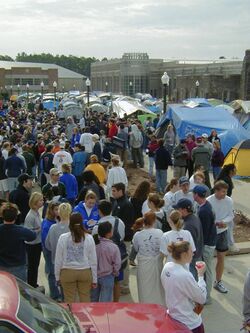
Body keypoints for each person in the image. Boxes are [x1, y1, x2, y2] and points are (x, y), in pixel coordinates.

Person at [161, 241, 207, 333]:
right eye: (191, 251)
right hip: (189, 323)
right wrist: (201, 276)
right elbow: (201, 298)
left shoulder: (167, 267)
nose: (193, 253)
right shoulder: (184, 275)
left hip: (173, 317)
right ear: (184, 254)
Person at [54, 212, 97, 303]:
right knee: (85, 298)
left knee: (69, 300)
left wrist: (57, 277)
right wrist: (94, 279)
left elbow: (58, 260)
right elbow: (93, 260)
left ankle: (71, 317)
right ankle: (85, 317)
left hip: (67, 272)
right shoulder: (89, 238)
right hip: (84, 271)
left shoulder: (63, 238)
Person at [131, 211, 165, 305]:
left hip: (144, 265)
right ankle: (159, 306)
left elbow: (136, 248)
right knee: (158, 286)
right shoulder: (160, 233)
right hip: (157, 263)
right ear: (154, 221)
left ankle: (146, 307)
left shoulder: (138, 235)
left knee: (144, 287)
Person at [207, 181, 234, 293]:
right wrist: (216, 223)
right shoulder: (209, 201)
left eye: (226, 191)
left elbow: (231, 215)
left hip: (223, 232)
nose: (225, 194)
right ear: (216, 191)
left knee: (221, 257)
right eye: (223, 191)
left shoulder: (229, 200)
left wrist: (224, 222)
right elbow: (206, 218)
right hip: (211, 233)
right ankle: (205, 282)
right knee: (207, 260)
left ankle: (218, 282)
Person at [193, 185, 217, 304]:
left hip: (207, 245)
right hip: (209, 242)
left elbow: (204, 232)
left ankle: (206, 297)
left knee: (206, 271)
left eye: (194, 193)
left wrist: (200, 247)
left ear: (197, 195)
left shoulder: (204, 211)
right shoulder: (205, 205)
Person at [0, 203, 36, 281]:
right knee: (20, 291)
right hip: (18, 266)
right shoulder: (20, 230)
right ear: (16, 217)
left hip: (2, 267)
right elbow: (33, 236)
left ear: (2, 216)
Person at [112, 182, 135, 295]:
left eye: (114, 191)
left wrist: (121, 237)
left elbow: (128, 223)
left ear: (121, 191)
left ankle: (125, 286)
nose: (112, 193)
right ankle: (119, 285)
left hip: (124, 239)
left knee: (124, 263)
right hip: (118, 239)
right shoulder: (117, 202)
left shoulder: (126, 204)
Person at [173, 198, 204, 280]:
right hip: (197, 254)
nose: (176, 211)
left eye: (178, 209)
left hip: (192, 259)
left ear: (184, 210)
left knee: (192, 280)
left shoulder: (188, 225)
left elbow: (189, 246)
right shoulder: (194, 218)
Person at [91, 222, 121, 302]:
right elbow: (117, 264)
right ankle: (105, 314)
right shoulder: (114, 247)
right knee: (106, 300)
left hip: (94, 276)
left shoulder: (94, 245)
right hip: (108, 276)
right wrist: (115, 273)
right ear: (109, 233)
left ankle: (94, 314)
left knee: (93, 299)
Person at [24, 192, 44, 288]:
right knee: (32, 266)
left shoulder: (36, 213)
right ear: (35, 202)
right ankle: (31, 284)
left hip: (37, 243)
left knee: (35, 266)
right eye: (40, 200)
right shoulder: (30, 216)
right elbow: (28, 233)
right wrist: (39, 229)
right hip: (32, 245)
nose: (42, 201)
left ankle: (34, 283)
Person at [41, 202, 60, 300]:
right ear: (51, 211)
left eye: (59, 209)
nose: (58, 211)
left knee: (53, 270)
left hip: (54, 250)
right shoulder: (47, 224)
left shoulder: (56, 220)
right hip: (50, 251)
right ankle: (54, 294)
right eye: (56, 209)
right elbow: (45, 241)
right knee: (52, 273)